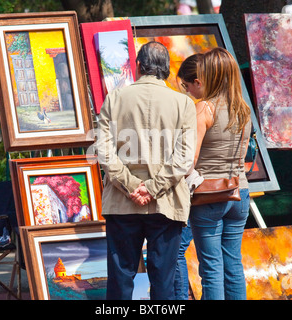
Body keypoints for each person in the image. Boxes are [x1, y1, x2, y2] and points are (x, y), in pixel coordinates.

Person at [96, 41, 197, 300]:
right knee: (163, 280)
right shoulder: (183, 103)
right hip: (166, 202)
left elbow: (104, 152)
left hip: (122, 202)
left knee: (120, 277)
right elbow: (183, 159)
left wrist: (132, 186)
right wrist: (151, 189)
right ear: (166, 69)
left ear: (138, 67)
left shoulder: (115, 99)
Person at [189, 47, 251, 300]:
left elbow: (189, 159)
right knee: (233, 264)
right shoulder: (243, 109)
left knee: (212, 268)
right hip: (240, 192)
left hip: (209, 195)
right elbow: (244, 153)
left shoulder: (204, 108)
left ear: (210, 74)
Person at [174, 53, 204, 300]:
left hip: (199, 189)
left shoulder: (201, 109)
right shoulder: (234, 103)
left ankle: (181, 300)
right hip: (232, 189)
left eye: (186, 85)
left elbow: (189, 160)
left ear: (198, 82)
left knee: (175, 250)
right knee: (220, 258)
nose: (186, 91)